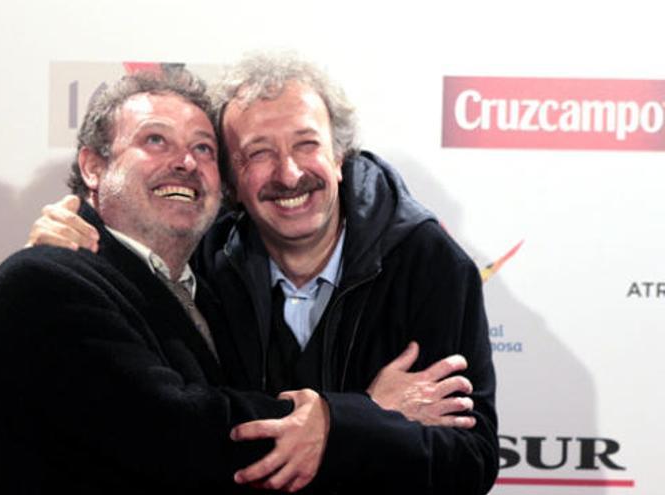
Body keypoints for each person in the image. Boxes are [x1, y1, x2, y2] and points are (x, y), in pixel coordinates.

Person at [28, 54, 499, 495]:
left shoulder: (429, 264)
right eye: (258, 153)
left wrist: (337, 426)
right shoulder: (205, 260)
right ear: (231, 181)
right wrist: (76, 234)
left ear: (339, 158)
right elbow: (186, 437)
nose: (289, 174)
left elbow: (470, 460)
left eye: (306, 144)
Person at [0, 69, 333, 495]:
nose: (186, 162)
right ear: (93, 167)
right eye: (156, 140)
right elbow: (180, 436)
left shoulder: (211, 293)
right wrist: (338, 421)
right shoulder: (44, 283)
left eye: (204, 148)